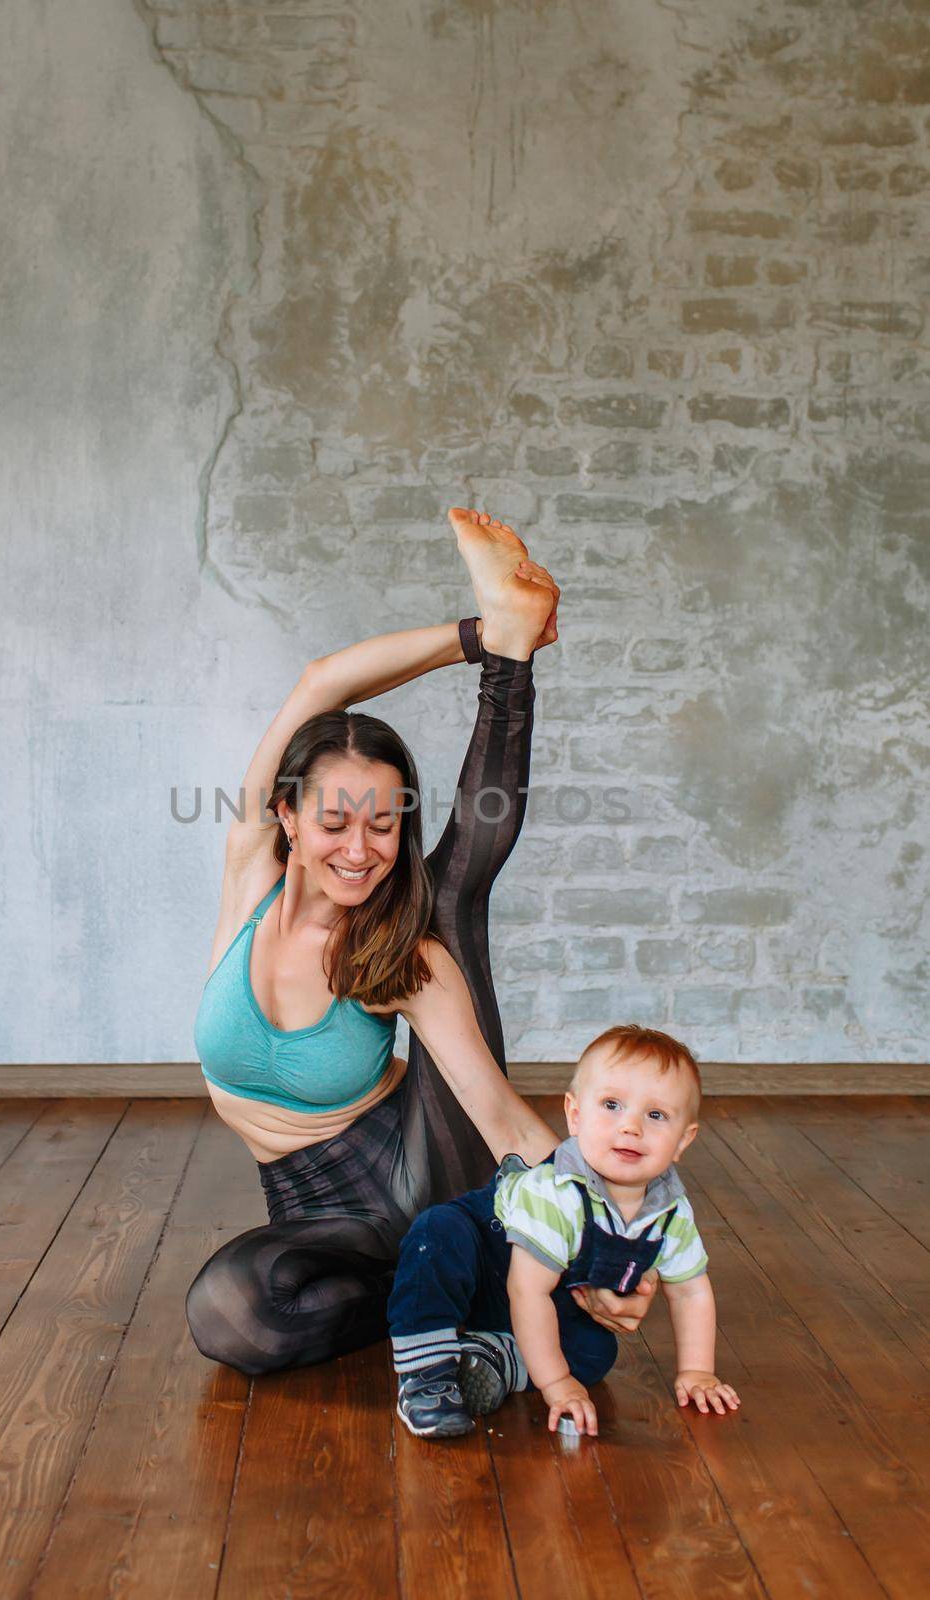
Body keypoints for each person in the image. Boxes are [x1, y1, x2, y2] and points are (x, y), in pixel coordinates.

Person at [186, 509, 660, 1374]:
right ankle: (472, 1297)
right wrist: (472, 633)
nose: (360, 848)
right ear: (285, 816)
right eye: (334, 820)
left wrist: (614, 1253)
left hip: (421, 1171)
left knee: (448, 902)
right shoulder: (248, 873)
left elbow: (497, 1115)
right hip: (318, 1215)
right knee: (234, 1314)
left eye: (383, 822)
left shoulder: (401, 954)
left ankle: (511, 673)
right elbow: (320, 682)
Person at [386, 1024, 742, 1438]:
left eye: (656, 1115)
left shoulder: (670, 1212)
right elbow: (526, 1289)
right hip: (491, 1265)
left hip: (547, 1297)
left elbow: (691, 1290)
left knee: (595, 1352)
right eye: (611, 1105)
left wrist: (698, 1371)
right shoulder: (558, 1191)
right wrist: (556, 1384)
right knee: (437, 1234)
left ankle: (494, 1356)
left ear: (684, 1140)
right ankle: (426, 1374)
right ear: (575, 1115)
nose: (631, 1127)